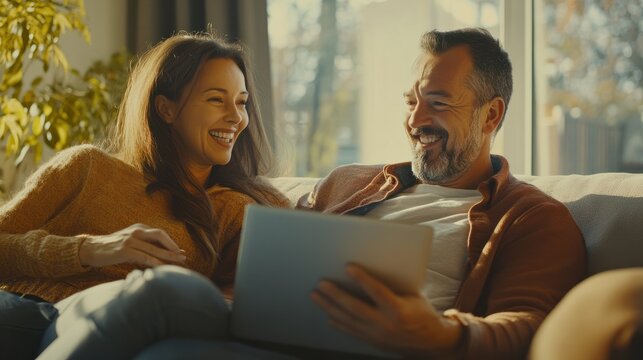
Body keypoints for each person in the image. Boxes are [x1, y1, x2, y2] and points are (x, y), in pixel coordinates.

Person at [298, 28, 587, 359]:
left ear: (490, 115)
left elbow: (532, 327)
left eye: (438, 102)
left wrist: (444, 335)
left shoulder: (531, 217)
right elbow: (268, 261)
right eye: (411, 102)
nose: (415, 119)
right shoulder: (345, 183)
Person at [0, 31, 288, 359]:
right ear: (166, 109)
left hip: (109, 330)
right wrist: (88, 249)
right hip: (24, 308)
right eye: (215, 99)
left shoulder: (237, 205)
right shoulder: (87, 167)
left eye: (241, 102)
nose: (237, 117)